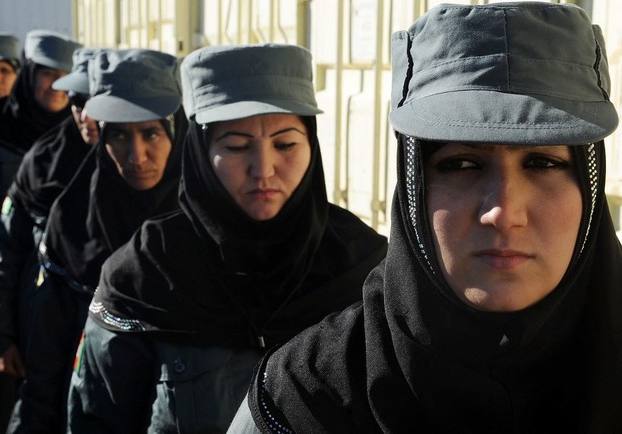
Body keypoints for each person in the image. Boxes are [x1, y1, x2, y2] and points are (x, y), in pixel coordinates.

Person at [228, 3, 622, 433]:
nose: (503, 212)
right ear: (413, 184)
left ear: (589, 181)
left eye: (543, 163)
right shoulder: (304, 399)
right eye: (462, 165)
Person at [66, 43, 388, 433]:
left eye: (285, 144)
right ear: (200, 152)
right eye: (236, 146)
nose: (263, 169)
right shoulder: (143, 273)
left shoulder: (364, 267)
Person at [7, 48, 187, 434]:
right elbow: (45, 367)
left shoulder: (208, 228)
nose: (136, 155)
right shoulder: (71, 222)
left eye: (151, 133)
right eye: (118, 135)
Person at [0, 47, 101, 434]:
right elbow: (5, 249)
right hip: (33, 335)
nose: (85, 116)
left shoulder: (137, 170)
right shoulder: (42, 159)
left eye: (96, 103)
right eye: (76, 102)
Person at [0, 29, 81, 339]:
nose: (56, 85)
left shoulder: (81, 134)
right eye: (47, 74)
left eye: (65, 76)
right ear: (29, 74)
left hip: (59, 295)